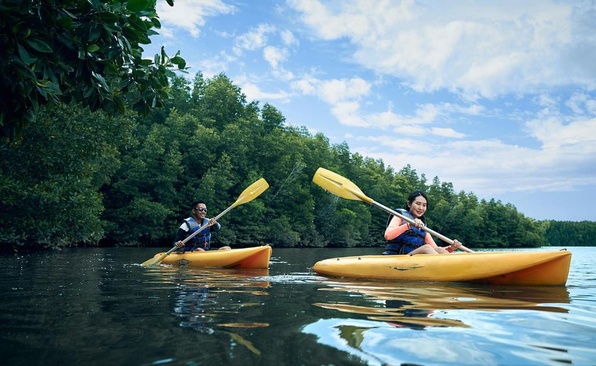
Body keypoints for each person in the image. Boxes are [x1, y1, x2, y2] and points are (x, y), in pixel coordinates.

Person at [383, 190, 462, 255]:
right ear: (409, 204)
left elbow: (435, 249)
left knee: (440, 251)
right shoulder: (400, 216)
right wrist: (409, 225)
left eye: (424, 205)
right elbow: (388, 235)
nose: (421, 208)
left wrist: (451, 248)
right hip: (396, 258)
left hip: (412, 259)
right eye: (418, 204)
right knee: (426, 248)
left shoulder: (422, 226)